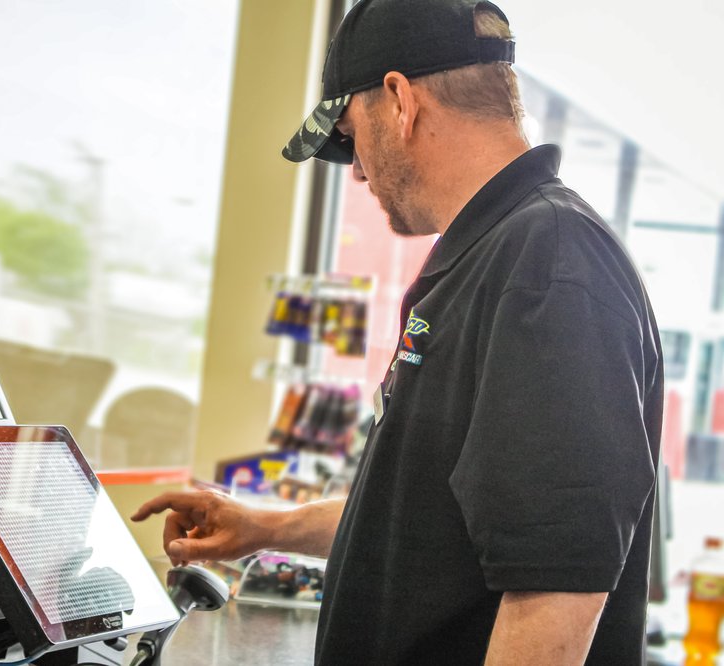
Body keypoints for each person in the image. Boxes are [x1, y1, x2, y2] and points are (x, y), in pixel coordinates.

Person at [132, 0, 663, 663]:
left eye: (351, 136)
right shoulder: (489, 254)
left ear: (400, 101)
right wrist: (265, 527)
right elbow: (433, 522)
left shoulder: (549, 264)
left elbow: (555, 586)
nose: (356, 171)